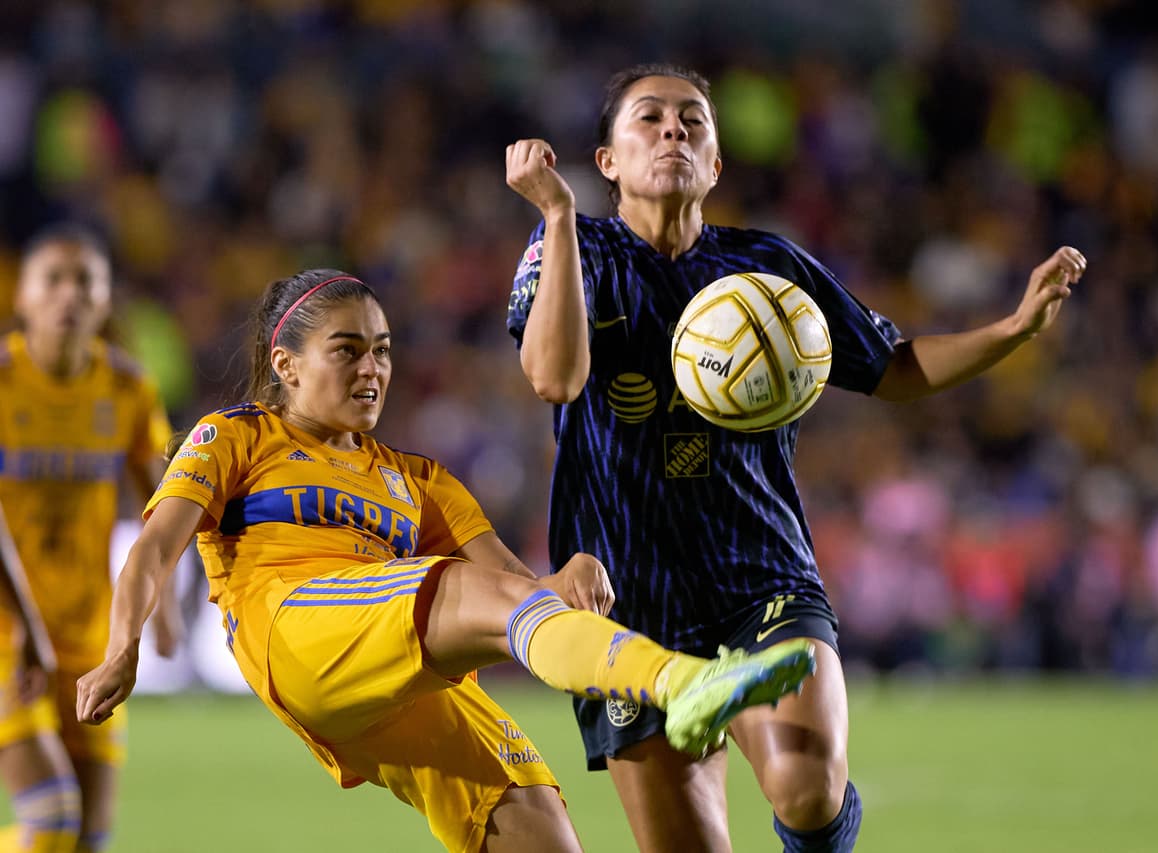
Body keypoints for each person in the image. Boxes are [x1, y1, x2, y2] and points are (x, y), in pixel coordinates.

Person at [504, 63, 1087, 852]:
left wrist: (1012, 330)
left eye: (693, 121)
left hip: (761, 576)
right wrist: (560, 215)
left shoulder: (768, 267)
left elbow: (893, 369)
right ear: (606, 160)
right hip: (627, 602)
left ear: (715, 164)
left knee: (807, 789)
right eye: (649, 117)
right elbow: (554, 375)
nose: (673, 129)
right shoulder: (572, 248)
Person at [74, 269, 817, 853]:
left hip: (392, 666)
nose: (373, 368)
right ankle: (681, 682)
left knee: (530, 812)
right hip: (293, 628)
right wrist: (122, 649)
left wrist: (569, 577)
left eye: (384, 349)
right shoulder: (235, 435)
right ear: (287, 364)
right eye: (348, 349)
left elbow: (521, 596)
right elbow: (152, 549)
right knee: (462, 589)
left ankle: (674, 683)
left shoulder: (417, 478)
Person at [0, 223, 179, 853]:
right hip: (6, 639)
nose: (69, 295)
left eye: (86, 282)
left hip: (88, 638)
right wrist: (23, 626)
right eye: (53, 280)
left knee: (87, 838)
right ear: (21, 297)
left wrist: (162, 607)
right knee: (50, 817)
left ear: (105, 301)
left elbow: (165, 499)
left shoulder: (127, 389)